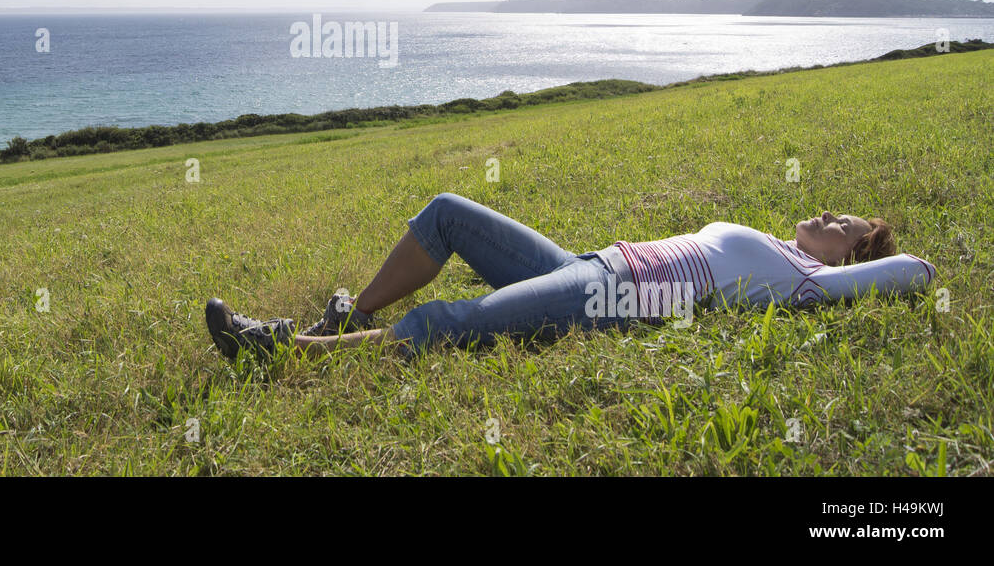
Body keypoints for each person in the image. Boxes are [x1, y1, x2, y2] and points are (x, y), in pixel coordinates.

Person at [205, 192, 937, 363]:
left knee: (454, 320)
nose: (827, 217)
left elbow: (916, 271)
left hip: (614, 297)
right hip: (591, 262)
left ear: (848, 258)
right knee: (447, 214)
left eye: (844, 227)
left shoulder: (810, 279)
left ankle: (290, 348)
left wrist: (875, 254)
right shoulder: (777, 241)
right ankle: (347, 312)